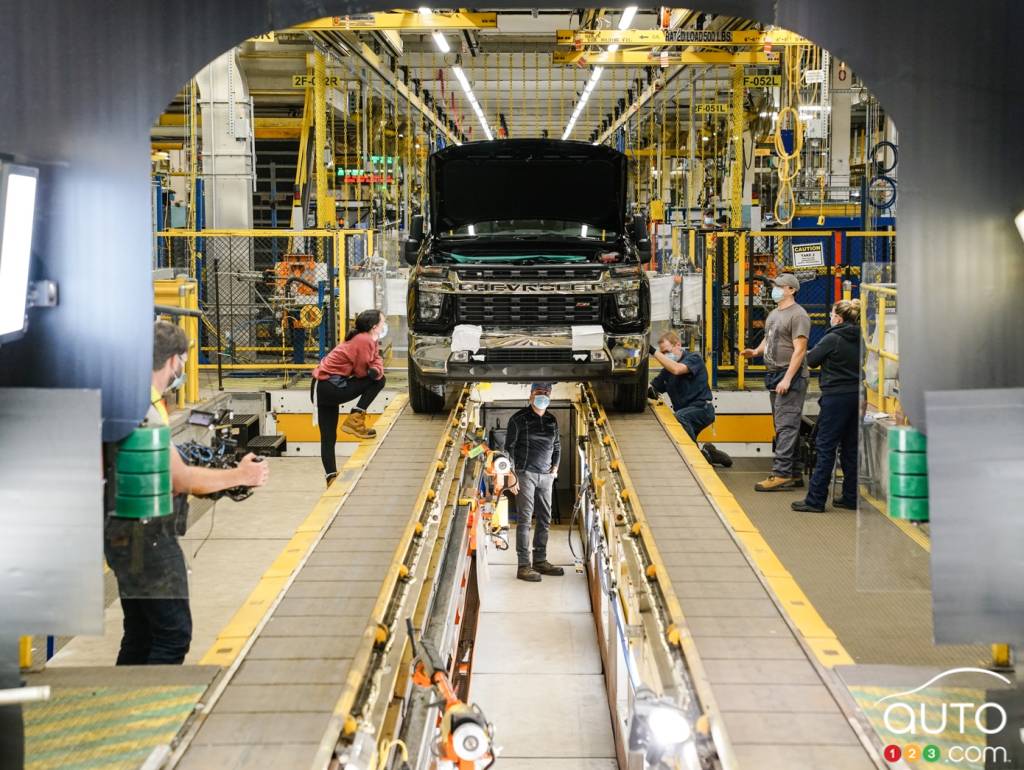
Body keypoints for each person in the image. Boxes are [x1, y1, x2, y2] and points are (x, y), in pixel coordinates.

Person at [104, 321, 270, 666]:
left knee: (139, 633)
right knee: (172, 635)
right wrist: (240, 475)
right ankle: (149, 715)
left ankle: (123, 708)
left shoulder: (127, 398)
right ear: (174, 361)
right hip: (146, 536)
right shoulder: (145, 409)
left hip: (121, 529)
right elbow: (180, 480)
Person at [742, 273, 811, 491]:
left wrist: (788, 378)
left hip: (789, 375)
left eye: (780, 286)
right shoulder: (773, 314)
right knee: (786, 425)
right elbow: (769, 337)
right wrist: (756, 351)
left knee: (786, 425)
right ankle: (794, 471)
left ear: (791, 290)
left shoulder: (798, 315)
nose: (775, 290)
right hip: (773, 373)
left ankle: (781, 474)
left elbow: (800, 350)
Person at [792, 300, 862, 512]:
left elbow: (812, 360)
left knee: (826, 447)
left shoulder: (832, 337)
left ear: (838, 318)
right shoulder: (862, 337)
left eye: (832, 315)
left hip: (835, 398)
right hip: (856, 396)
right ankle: (850, 497)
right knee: (850, 448)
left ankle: (815, 500)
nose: (831, 318)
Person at [312, 308, 387, 485]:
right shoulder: (364, 340)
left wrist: (376, 366)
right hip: (331, 386)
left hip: (320, 388)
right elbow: (364, 372)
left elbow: (374, 361)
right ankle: (355, 418)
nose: (384, 325)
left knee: (328, 437)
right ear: (374, 326)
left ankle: (331, 476)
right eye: (383, 322)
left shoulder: (365, 339)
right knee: (379, 381)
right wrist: (376, 369)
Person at [504, 383, 564, 583]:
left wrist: (555, 467)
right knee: (525, 520)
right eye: (539, 393)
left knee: (545, 519)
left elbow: (557, 446)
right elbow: (508, 448)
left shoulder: (551, 420)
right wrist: (511, 475)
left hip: (546, 476)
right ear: (531, 396)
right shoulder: (518, 419)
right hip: (525, 473)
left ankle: (540, 560)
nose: (543, 396)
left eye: (546, 393)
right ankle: (523, 566)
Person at [648, 331, 732, 467]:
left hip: (702, 409)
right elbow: (653, 388)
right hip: (686, 412)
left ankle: (697, 458)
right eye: (662, 353)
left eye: (667, 351)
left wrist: (652, 351)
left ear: (678, 345)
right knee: (679, 424)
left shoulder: (694, 358)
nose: (664, 356)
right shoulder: (666, 371)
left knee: (679, 418)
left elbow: (677, 369)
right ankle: (709, 452)